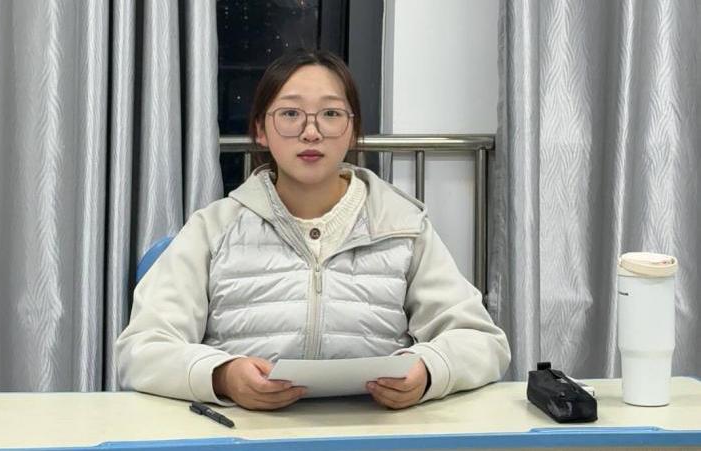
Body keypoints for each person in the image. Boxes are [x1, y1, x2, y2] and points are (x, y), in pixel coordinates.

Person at [115, 49, 510, 411]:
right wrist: (222, 376)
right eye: (290, 114)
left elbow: (482, 341)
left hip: (375, 434)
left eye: (331, 114)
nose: (311, 132)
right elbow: (141, 348)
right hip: (245, 434)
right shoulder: (213, 229)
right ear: (260, 130)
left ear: (352, 130)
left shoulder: (402, 227)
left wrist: (427, 370)